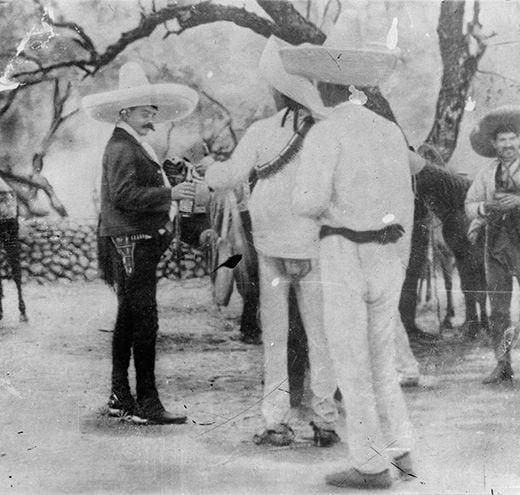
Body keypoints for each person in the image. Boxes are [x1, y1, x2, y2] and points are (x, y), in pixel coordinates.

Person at [284, 23, 416, 488]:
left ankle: (369, 463)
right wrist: (399, 255)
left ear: (327, 84)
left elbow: (306, 201)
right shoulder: (388, 130)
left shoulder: (326, 133)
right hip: (387, 251)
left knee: (351, 362)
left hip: (342, 249)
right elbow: (406, 201)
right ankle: (400, 449)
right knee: (382, 359)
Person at [197, 35, 340, 447]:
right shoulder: (327, 129)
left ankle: (276, 422)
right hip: (313, 244)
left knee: (275, 337)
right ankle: (325, 421)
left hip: (272, 245)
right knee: (320, 335)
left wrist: (208, 170)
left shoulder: (261, 130)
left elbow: (227, 177)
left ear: (279, 89)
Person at [82, 62, 198, 424]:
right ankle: (147, 404)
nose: (152, 117)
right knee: (143, 320)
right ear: (126, 111)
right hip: (132, 241)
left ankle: (121, 397)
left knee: (129, 319)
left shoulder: (129, 143)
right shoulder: (122, 146)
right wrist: (170, 192)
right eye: (147, 111)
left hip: (132, 240)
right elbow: (123, 194)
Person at [465, 105, 520, 393]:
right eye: (501, 140)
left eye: (511, 139)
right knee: (500, 311)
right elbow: (469, 207)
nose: (507, 145)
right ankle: (503, 365)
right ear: (494, 144)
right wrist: (485, 206)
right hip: (496, 246)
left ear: (519, 141)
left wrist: (519, 203)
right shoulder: (486, 173)